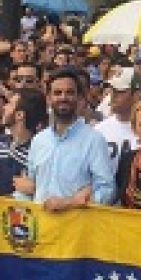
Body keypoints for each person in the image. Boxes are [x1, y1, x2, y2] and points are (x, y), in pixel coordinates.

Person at [18, 69, 115, 208]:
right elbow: (31, 190)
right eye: (57, 93)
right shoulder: (38, 141)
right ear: (48, 98)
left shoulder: (94, 141)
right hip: (43, 227)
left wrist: (70, 203)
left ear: (79, 98)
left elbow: (107, 192)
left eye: (69, 92)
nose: (63, 97)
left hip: (77, 227)